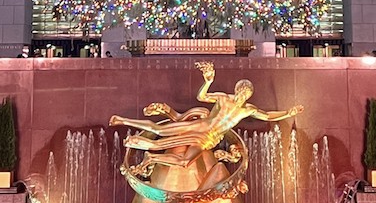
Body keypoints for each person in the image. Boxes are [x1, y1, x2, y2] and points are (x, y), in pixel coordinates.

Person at [110, 60, 303, 172]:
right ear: (237, 90)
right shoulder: (223, 98)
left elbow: (268, 116)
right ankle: (122, 120)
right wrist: (208, 81)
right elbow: (201, 97)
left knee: (185, 162)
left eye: (247, 93)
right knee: (159, 130)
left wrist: (288, 113)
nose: (243, 95)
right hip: (200, 126)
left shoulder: (248, 110)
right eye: (242, 91)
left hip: (208, 139)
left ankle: (151, 158)